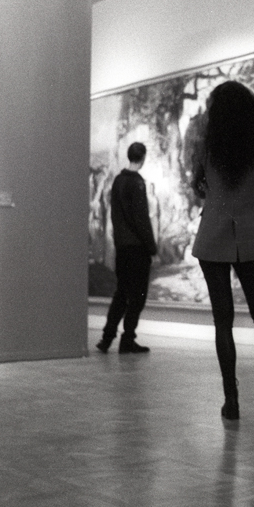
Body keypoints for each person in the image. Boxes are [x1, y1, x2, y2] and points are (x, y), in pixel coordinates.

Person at [191, 81, 254, 421]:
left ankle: (231, 401)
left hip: (212, 236)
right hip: (250, 234)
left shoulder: (205, 148)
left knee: (223, 322)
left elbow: (199, 186)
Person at [96, 142, 157, 353]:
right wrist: (152, 248)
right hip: (137, 249)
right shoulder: (137, 183)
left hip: (122, 247)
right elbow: (141, 219)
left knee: (121, 293)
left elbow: (115, 215)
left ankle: (106, 338)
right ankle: (127, 339)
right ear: (143, 158)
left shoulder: (118, 181)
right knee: (138, 296)